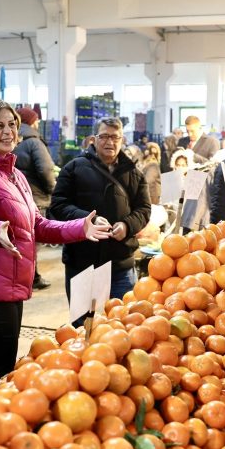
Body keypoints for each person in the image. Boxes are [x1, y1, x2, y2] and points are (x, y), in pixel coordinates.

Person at [0, 100, 110, 382]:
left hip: (9, 284)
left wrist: (80, 227)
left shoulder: (12, 173)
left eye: (12, 125)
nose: (8, 132)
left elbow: (37, 225)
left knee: (3, 367)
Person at [51, 117, 151, 307]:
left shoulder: (134, 173)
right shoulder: (73, 168)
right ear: (94, 139)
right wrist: (88, 220)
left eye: (115, 137)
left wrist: (127, 225)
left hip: (120, 264)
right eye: (104, 136)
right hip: (82, 261)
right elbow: (58, 205)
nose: (110, 142)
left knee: (123, 324)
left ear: (122, 140)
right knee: (83, 326)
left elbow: (144, 209)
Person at [13, 106, 57, 291]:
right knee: (32, 241)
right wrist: (52, 189)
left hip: (16, 198)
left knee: (20, 239)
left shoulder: (12, 140)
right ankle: (29, 278)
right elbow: (46, 170)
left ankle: (28, 276)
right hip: (35, 197)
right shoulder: (34, 142)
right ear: (32, 122)